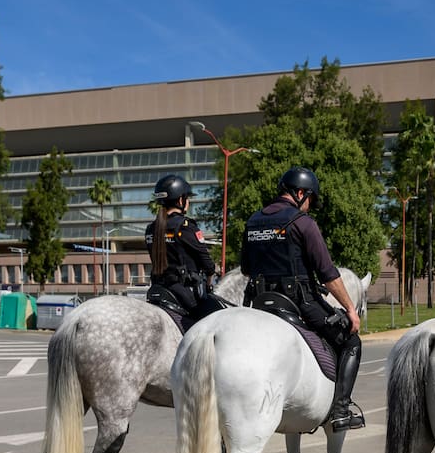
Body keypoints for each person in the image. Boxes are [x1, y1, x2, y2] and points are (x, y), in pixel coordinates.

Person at [241, 166, 365, 432]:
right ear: (300, 193)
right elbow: (328, 275)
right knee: (351, 341)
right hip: (298, 302)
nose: (309, 206)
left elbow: (245, 269)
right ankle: (340, 410)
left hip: (260, 302)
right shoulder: (302, 223)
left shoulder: (252, 221)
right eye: (310, 200)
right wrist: (350, 309)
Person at [145, 174, 217, 318]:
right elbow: (207, 263)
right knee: (217, 317)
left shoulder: (151, 228)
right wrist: (209, 279)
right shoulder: (185, 227)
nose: (188, 201)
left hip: (156, 288)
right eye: (187, 198)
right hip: (183, 291)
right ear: (180, 200)